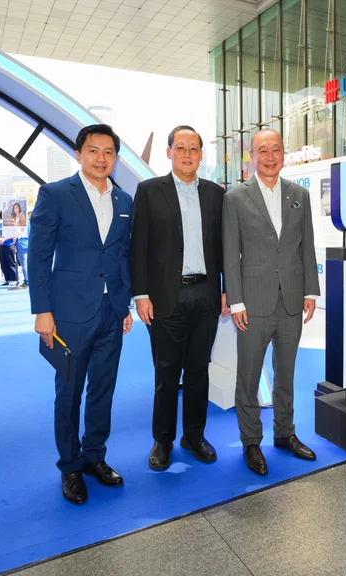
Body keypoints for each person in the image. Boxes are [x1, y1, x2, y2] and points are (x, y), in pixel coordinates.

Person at [30, 123, 133, 506]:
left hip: (111, 311)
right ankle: (70, 466)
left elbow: (122, 256)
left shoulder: (124, 201)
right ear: (79, 154)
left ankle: (95, 457)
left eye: (108, 152)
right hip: (69, 313)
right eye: (93, 150)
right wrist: (42, 310)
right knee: (69, 391)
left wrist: (124, 306)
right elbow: (38, 256)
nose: (101, 158)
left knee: (103, 389)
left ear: (115, 157)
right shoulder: (55, 194)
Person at [222, 128, 320, 476]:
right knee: (248, 376)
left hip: (292, 299)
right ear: (252, 156)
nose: (270, 156)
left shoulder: (299, 195)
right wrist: (236, 301)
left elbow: (305, 245)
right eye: (262, 151)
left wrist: (310, 291)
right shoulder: (235, 198)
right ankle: (251, 441)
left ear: (283, 153)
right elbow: (230, 255)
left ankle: (285, 434)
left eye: (275, 149)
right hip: (253, 301)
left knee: (287, 373)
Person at [130, 125, 229, 471]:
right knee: (167, 371)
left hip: (206, 295)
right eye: (181, 148)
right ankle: (163, 439)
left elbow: (226, 248)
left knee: (199, 370)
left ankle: (194, 435)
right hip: (164, 297)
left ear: (201, 154)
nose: (187, 155)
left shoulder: (217, 195)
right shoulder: (148, 192)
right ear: (169, 152)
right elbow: (138, 247)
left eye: (194, 149)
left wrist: (227, 287)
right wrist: (140, 295)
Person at [0, 211, 19, 287]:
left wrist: (5, 239)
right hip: (1, 246)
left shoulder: (11, 225)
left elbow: (14, 235)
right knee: (3, 263)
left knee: (11, 262)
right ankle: (7, 279)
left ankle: (14, 279)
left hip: (9, 245)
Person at [16, 211, 31, 289]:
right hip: (30, 245)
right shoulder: (30, 223)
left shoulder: (20, 223)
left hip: (22, 245)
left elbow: (16, 235)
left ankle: (27, 281)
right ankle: (29, 280)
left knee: (24, 264)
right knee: (29, 264)